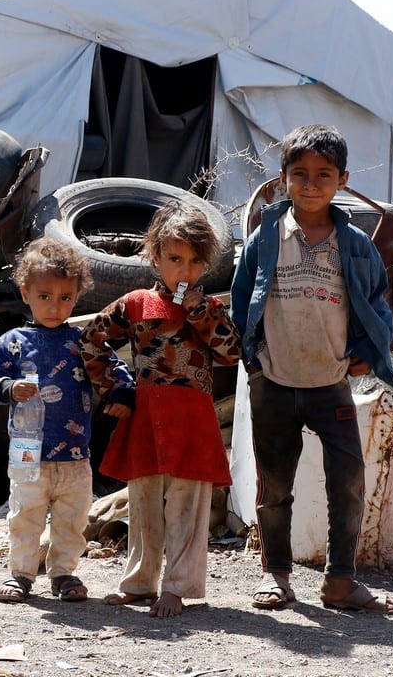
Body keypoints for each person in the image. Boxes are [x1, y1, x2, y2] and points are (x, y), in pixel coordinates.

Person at [230, 123, 393, 614]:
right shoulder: (267, 237)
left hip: (330, 384)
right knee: (275, 485)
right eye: (299, 173)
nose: (309, 184)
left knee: (347, 482)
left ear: (341, 180)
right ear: (283, 177)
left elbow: (376, 301)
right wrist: (253, 360)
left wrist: (370, 350)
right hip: (275, 381)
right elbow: (244, 300)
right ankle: (276, 576)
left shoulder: (355, 245)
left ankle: (340, 582)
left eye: (322, 174)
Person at [81, 200, 241, 618]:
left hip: (193, 419)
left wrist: (202, 312)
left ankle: (178, 587)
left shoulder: (211, 310)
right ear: (154, 257)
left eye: (193, 262)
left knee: (188, 506)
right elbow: (89, 342)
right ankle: (138, 583)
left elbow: (230, 353)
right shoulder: (135, 304)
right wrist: (116, 388)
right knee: (144, 503)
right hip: (146, 417)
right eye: (174, 259)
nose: (183, 271)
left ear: (205, 266)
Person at [0, 238, 134, 605]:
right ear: (26, 293)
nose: (55, 305)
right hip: (28, 450)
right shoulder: (12, 342)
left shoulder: (84, 342)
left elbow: (117, 371)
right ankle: (21, 574)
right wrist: (9, 387)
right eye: (45, 296)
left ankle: (65, 574)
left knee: (73, 518)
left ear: (77, 295)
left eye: (65, 297)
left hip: (76, 454)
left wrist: (122, 396)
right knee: (25, 514)